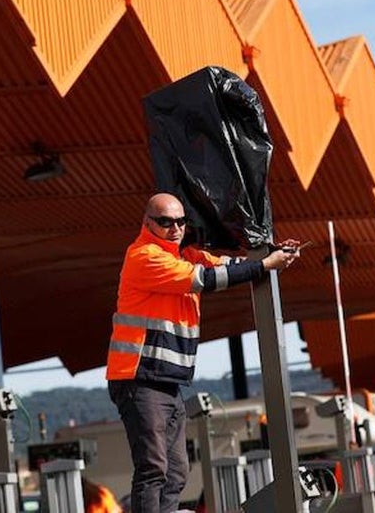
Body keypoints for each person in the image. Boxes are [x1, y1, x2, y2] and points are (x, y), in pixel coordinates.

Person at [105, 193, 301, 513]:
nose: (175, 228)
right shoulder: (145, 256)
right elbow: (206, 279)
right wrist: (266, 265)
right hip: (139, 377)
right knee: (153, 466)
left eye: (181, 222)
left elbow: (226, 265)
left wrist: (270, 254)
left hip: (166, 380)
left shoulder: (186, 255)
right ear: (147, 223)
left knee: (177, 469)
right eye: (165, 222)